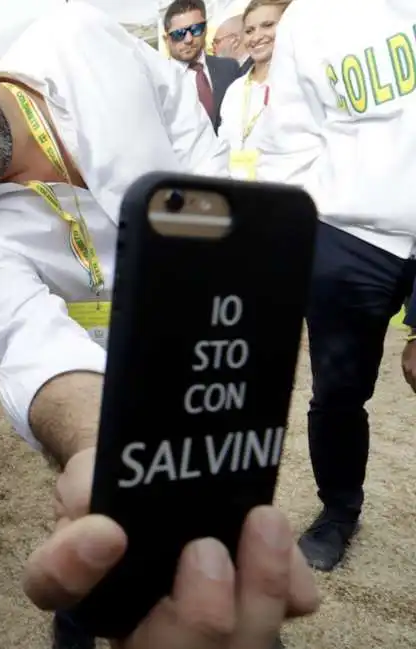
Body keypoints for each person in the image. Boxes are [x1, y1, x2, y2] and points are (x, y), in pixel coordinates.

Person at [0, 4, 318, 648]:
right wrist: (105, 453)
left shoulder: (78, 42)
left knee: (223, 577)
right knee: (119, 569)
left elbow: (194, 190)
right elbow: (30, 348)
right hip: (116, 406)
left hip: (206, 367)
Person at [256, 0, 416, 572]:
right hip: (352, 237)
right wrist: (294, 242)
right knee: (339, 394)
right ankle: (339, 510)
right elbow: (288, 146)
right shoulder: (312, 18)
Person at [218, 0, 291, 180]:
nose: (256, 37)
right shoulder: (235, 90)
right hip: (237, 193)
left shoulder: (298, 84)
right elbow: (223, 144)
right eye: (249, 30)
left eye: (267, 26)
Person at [163, 0, 241, 133]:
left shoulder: (229, 68)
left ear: (205, 30)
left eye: (195, 29)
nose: (188, 39)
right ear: (166, 40)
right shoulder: (160, 81)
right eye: (178, 34)